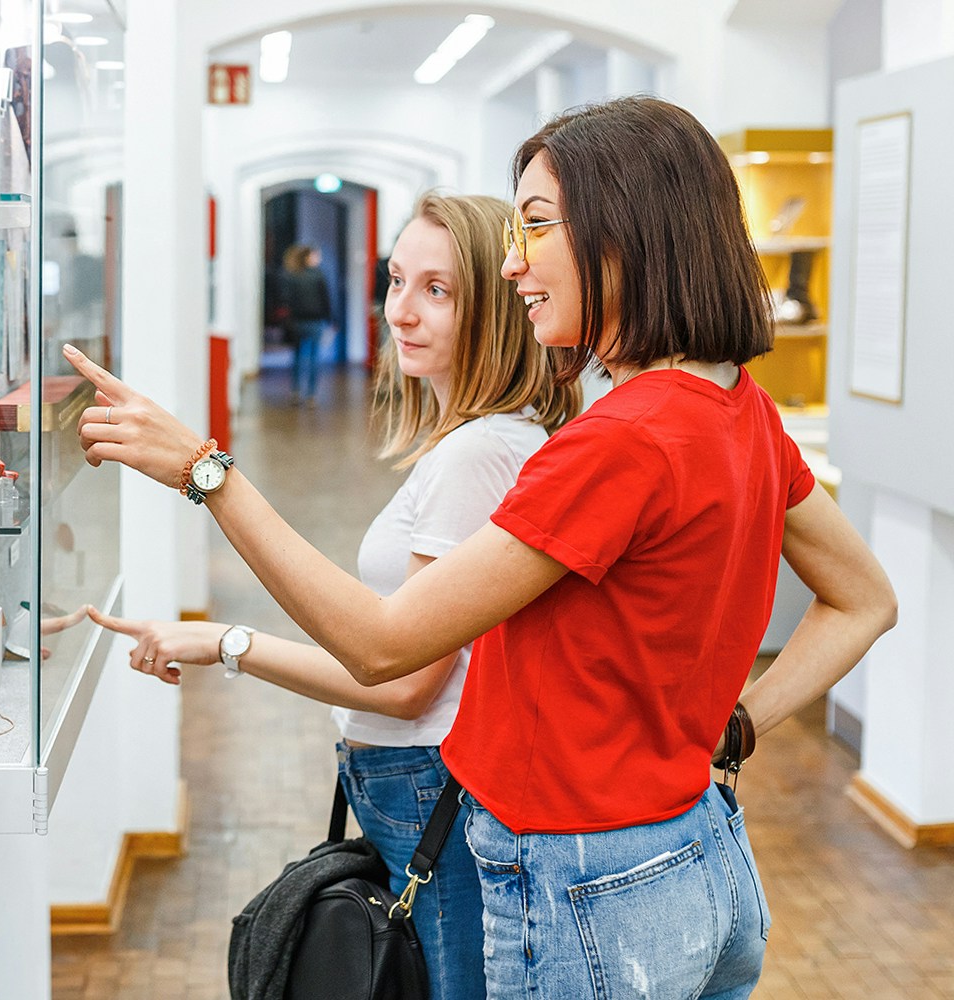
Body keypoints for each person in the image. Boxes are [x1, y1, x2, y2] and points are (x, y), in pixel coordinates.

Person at [64, 96, 896, 999]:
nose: (514, 263)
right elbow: (865, 598)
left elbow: (387, 646)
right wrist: (734, 727)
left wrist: (207, 473)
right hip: (706, 853)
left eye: (536, 228)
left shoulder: (620, 440)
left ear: (626, 236)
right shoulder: (742, 409)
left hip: (590, 886)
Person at [89, 192, 580, 1000]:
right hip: (412, 781)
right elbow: (389, 630)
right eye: (396, 281)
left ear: (494, 308)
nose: (403, 312)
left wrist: (227, 640)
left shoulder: (480, 454)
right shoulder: (473, 441)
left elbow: (403, 677)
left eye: (438, 290)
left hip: (431, 782)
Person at [279, 243, 334, 406]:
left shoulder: (292, 275)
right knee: (314, 357)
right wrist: (331, 320)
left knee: (297, 356)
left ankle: (295, 391)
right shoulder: (319, 276)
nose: (319, 258)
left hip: (297, 322)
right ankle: (311, 395)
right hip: (315, 321)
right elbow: (326, 301)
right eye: (317, 255)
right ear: (308, 257)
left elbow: (286, 300)